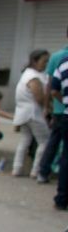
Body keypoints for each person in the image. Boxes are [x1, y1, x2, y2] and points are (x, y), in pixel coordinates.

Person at [12, 50, 50, 178]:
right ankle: (36, 170)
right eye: (44, 61)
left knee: (25, 140)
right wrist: (48, 107)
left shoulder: (27, 74)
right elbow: (39, 97)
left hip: (23, 113)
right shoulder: (33, 77)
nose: (45, 64)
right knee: (45, 141)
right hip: (33, 113)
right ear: (35, 61)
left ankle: (16, 168)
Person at [37, 26, 68, 184]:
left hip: (58, 108)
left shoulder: (56, 56)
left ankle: (43, 172)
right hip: (62, 108)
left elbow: (49, 85)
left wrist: (46, 106)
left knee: (54, 140)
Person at [46, 48, 68, 209]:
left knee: (66, 157)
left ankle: (61, 199)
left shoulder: (63, 62)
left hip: (66, 115)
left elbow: (54, 90)